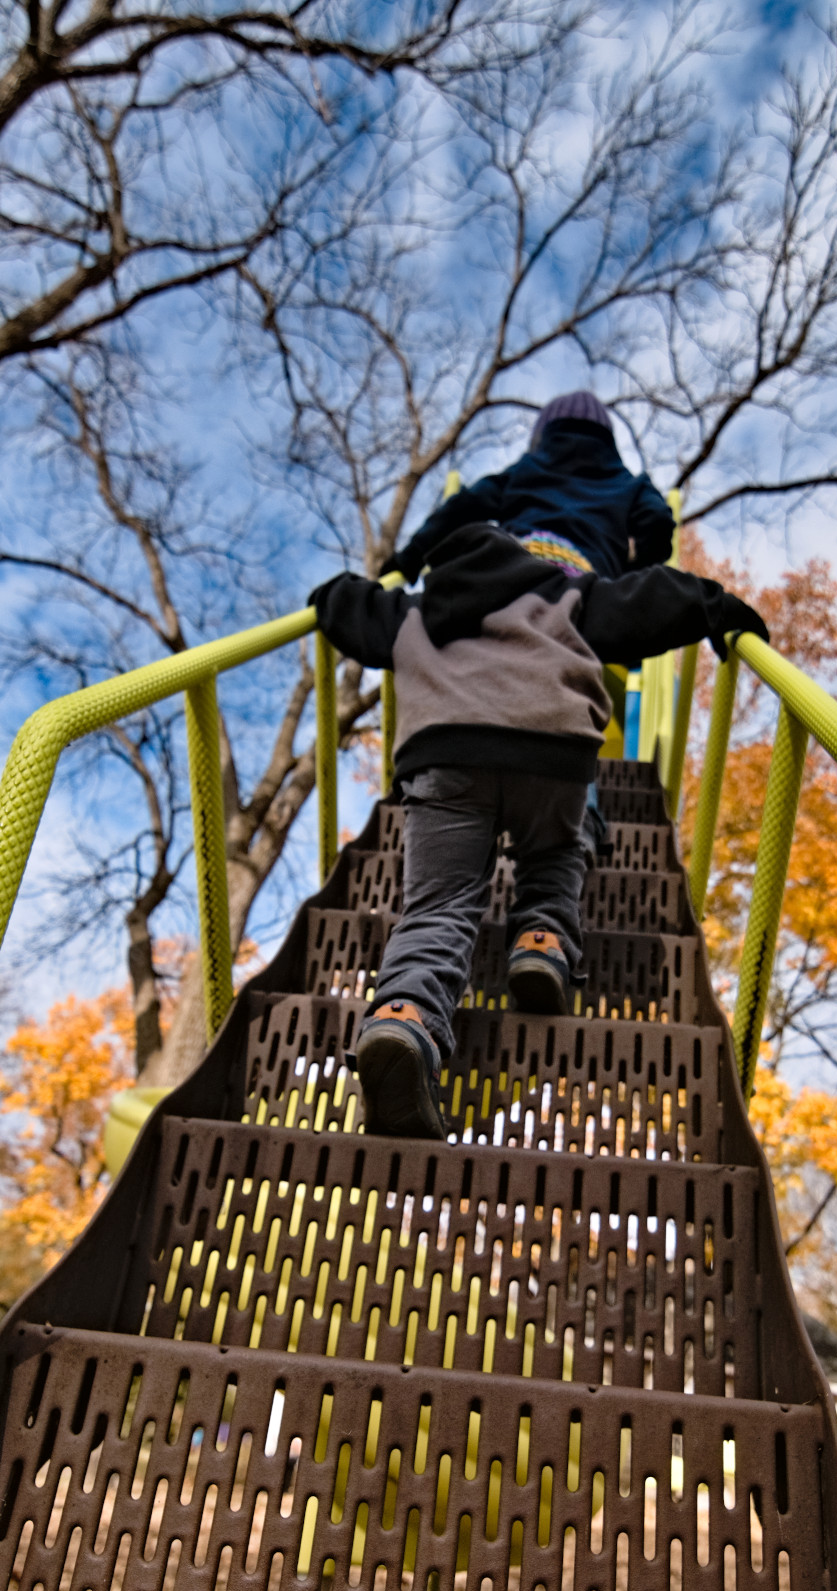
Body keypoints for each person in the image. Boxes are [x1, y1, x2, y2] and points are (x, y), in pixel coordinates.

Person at [308, 517, 769, 1140]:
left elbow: (346, 607)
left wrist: (329, 596)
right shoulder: (571, 596)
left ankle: (403, 1014)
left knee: (440, 904)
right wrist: (723, 612)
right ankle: (544, 939)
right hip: (551, 753)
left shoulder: (420, 607)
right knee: (556, 850)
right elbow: (658, 598)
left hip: (444, 755)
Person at [390, 391, 675, 586]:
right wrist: (629, 573)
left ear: (542, 436)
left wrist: (411, 558)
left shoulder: (525, 470)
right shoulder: (629, 483)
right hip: (592, 598)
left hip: (508, 579)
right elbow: (658, 521)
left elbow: (463, 506)